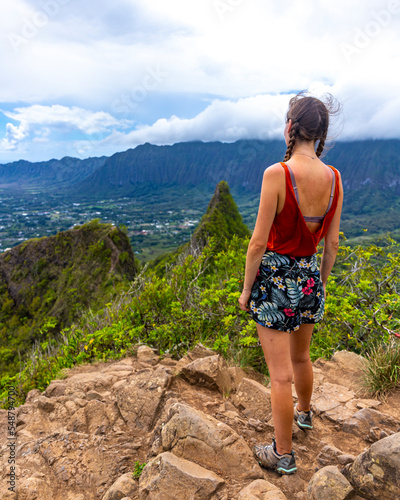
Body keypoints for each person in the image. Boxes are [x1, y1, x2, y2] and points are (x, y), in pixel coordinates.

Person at [238, 91, 343, 475]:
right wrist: (321, 283)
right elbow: (331, 243)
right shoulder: (334, 177)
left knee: (279, 374)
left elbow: (257, 243)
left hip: (276, 283)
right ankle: (304, 414)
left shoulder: (277, 174)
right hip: (310, 277)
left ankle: (282, 454)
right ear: (320, 133)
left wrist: (248, 290)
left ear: (290, 128)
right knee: (302, 357)